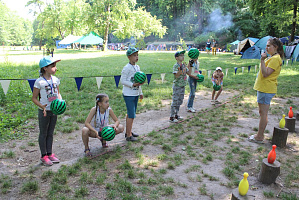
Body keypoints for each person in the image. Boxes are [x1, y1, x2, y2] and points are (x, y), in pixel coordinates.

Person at [249, 38, 284, 143]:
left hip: (266, 89)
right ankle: (260, 134)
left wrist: (262, 60)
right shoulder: (273, 58)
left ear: (275, 47)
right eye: (266, 45)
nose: (266, 47)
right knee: (262, 112)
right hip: (264, 88)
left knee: (263, 113)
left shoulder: (275, 59)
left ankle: (259, 136)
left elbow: (265, 73)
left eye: (269, 46)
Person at [32, 56, 62, 166]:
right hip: (44, 111)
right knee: (43, 133)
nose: (55, 68)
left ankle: (50, 154)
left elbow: (58, 93)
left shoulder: (56, 80)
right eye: (53, 66)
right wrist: (42, 106)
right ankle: (43, 155)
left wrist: (61, 102)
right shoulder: (39, 82)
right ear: (45, 68)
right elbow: (34, 98)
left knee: (50, 133)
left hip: (54, 111)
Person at [120, 47, 144, 141]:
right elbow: (123, 81)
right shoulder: (127, 68)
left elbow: (139, 81)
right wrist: (132, 84)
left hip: (135, 94)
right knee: (131, 115)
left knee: (130, 114)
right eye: (134, 55)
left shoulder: (137, 67)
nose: (136, 57)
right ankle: (129, 136)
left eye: (137, 55)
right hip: (128, 94)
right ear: (129, 57)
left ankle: (128, 132)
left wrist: (140, 92)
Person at [170, 50, 191, 122]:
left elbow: (189, 72)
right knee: (175, 101)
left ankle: (176, 114)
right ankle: (171, 117)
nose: (183, 57)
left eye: (183, 55)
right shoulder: (176, 66)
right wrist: (181, 70)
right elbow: (176, 75)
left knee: (180, 101)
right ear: (176, 58)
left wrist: (190, 65)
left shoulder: (184, 65)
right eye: (181, 55)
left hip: (182, 85)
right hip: (177, 86)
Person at [187, 48, 201, 113]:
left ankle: (191, 106)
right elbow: (188, 72)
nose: (197, 58)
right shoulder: (191, 62)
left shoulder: (197, 62)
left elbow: (196, 70)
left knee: (193, 93)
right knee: (192, 93)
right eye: (195, 57)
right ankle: (189, 107)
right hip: (191, 78)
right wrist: (194, 77)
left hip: (195, 78)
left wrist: (199, 74)